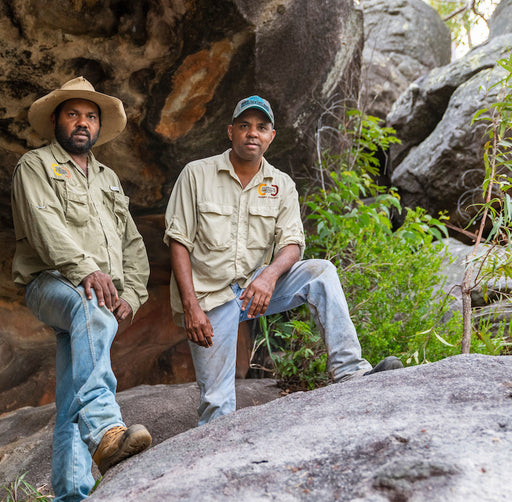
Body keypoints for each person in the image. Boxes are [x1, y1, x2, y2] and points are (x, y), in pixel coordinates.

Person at [164, 95, 403, 426]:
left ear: (271, 136)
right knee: (217, 406)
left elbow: (292, 243)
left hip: (255, 289)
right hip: (209, 298)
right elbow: (178, 242)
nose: (252, 133)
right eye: (245, 126)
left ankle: (350, 372)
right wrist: (191, 307)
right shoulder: (196, 175)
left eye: (261, 127)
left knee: (321, 272)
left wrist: (269, 275)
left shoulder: (281, 185)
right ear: (230, 131)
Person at [11, 77, 152, 502]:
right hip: (50, 283)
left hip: (98, 290)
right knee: (91, 310)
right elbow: (43, 226)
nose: (82, 122)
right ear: (56, 119)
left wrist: (131, 292)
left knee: (73, 386)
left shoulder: (108, 178)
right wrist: (88, 271)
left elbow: (131, 242)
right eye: (73, 113)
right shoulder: (34, 165)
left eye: (91, 116)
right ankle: (106, 430)